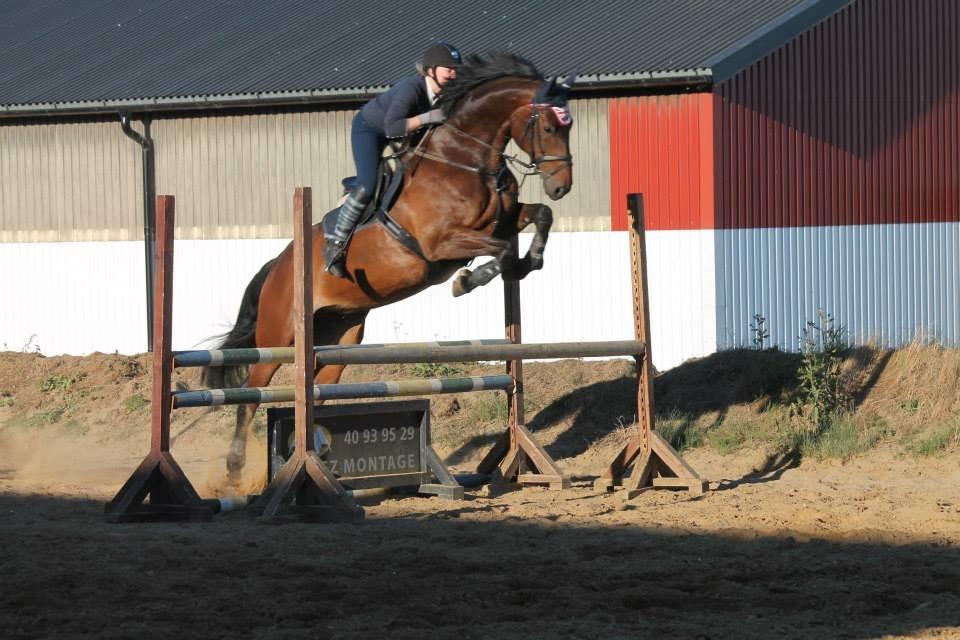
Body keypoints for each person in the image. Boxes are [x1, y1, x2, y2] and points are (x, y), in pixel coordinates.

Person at [324, 42, 463, 277]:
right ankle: (336, 243)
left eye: (456, 69)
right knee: (368, 185)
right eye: (448, 69)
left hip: (405, 131)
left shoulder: (446, 93)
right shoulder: (410, 89)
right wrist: (428, 117)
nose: (454, 73)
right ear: (431, 70)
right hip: (370, 130)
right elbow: (393, 128)